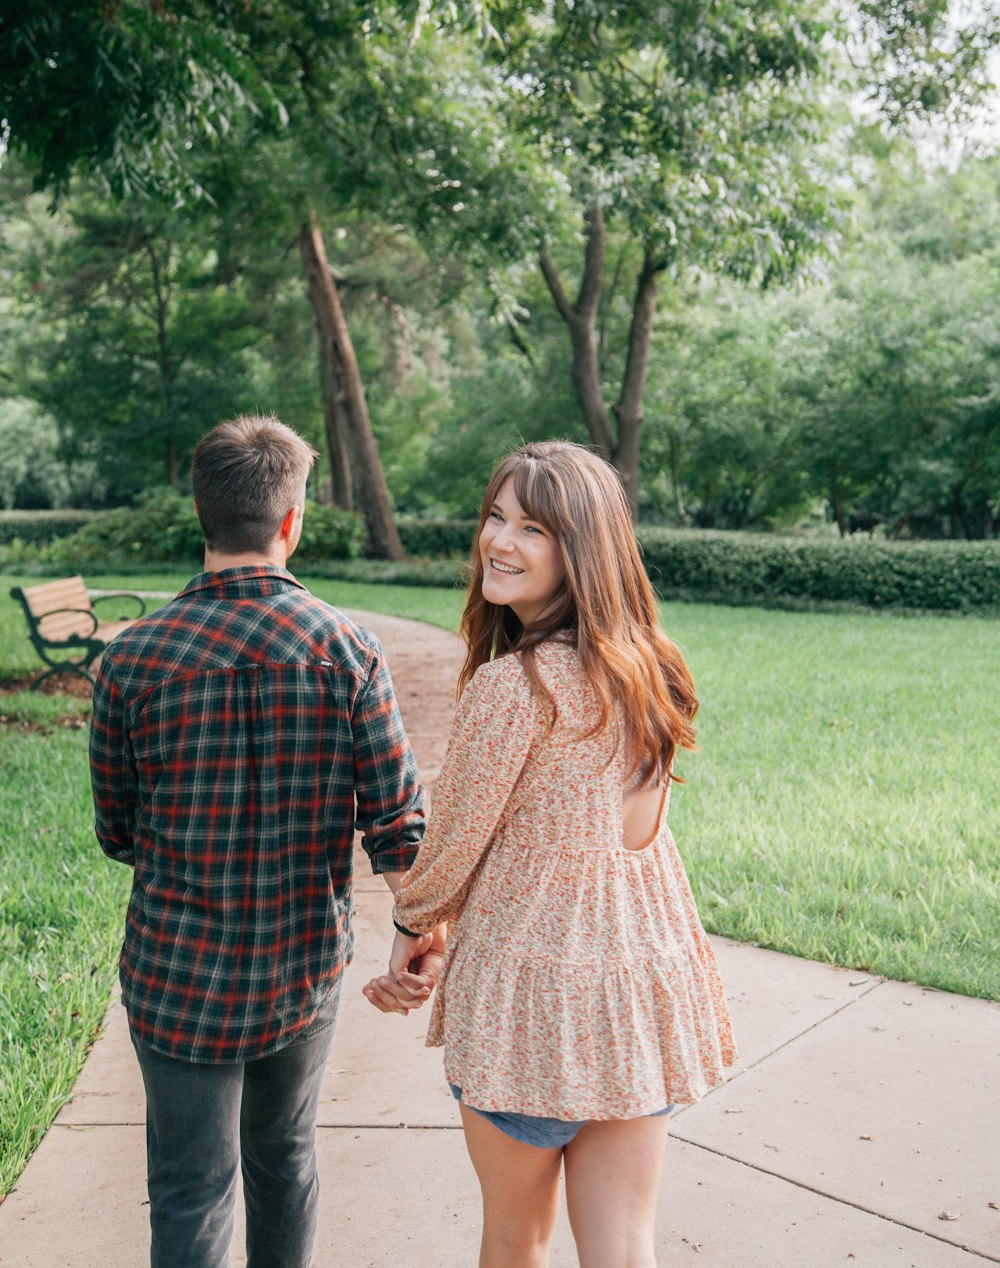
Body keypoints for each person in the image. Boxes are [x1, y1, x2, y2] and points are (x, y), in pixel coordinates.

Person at [364, 440, 737, 1268]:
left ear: (584, 549)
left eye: (533, 528)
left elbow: (450, 849)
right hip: (634, 997)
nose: (499, 541)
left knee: (515, 1239)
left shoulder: (516, 687)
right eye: (496, 517)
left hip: (531, 1008)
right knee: (623, 1250)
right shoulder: (648, 672)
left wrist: (414, 925)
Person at [90, 414, 440, 1268]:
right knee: (284, 1163)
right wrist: (422, 929)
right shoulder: (346, 648)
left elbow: (118, 831)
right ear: (293, 522)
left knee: (188, 1185)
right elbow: (398, 822)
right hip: (298, 966)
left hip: (174, 975)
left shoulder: (130, 661)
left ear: (203, 519)